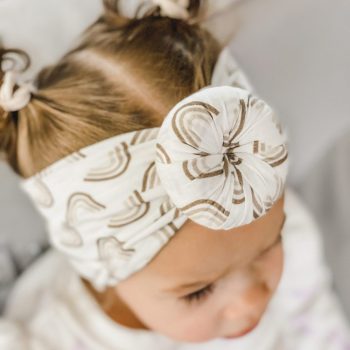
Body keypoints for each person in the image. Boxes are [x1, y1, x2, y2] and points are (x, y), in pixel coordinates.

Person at [0, 1, 349, 349]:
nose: (255, 299)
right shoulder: (57, 337)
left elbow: (316, 325)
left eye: (272, 244)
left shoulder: (281, 226)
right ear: (105, 273)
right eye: (199, 292)